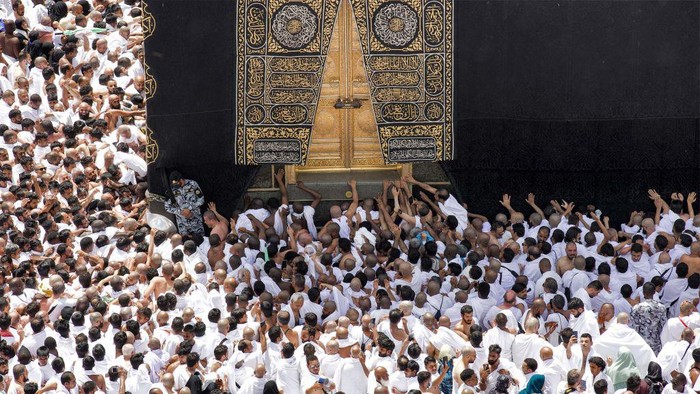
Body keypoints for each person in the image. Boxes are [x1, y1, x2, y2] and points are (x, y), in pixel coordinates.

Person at [164, 171, 206, 236]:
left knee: (200, 240)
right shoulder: (170, 190)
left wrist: (190, 208)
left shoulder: (192, 184)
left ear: (181, 180)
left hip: (196, 220)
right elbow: (167, 207)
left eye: (177, 184)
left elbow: (201, 199)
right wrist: (180, 212)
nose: (176, 187)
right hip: (182, 223)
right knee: (186, 243)